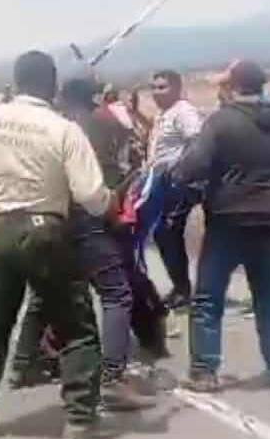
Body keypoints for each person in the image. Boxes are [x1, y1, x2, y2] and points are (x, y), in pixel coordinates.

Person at [0, 51, 113, 439]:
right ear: (52, 85)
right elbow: (91, 195)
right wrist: (109, 203)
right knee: (76, 327)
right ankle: (79, 421)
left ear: (18, 82)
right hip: (46, 232)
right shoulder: (63, 129)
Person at [10, 75, 161, 411]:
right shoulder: (99, 126)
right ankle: (112, 377)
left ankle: (24, 364)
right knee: (116, 293)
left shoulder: (51, 126)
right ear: (93, 99)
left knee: (44, 295)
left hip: (50, 219)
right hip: (91, 216)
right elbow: (113, 178)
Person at [172, 61, 270, 392]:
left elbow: (191, 167)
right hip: (268, 218)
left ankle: (204, 370)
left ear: (232, 87)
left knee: (208, 297)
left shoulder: (220, 123)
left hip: (227, 218)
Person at [147, 70, 206, 312]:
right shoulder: (164, 114)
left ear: (176, 88)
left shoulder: (183, 112)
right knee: (163, 234)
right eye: (154, 87)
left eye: (162, 87)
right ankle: (179, 287)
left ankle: (183, 289)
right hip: (161, 181)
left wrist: (180, 170)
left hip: (178, 183)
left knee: (167, 232)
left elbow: (196, 142)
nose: (156, 92)